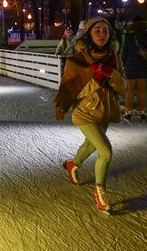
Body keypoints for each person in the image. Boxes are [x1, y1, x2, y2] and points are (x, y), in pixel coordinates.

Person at [54, 17, 128, 212]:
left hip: (105, 110)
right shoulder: (77, 60)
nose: (102, 34)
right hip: (84, 112)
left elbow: (124, 87)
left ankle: (72, 164)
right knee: (105, 151)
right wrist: (94, 77)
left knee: (90, 144)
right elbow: (71, 90)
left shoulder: (114, 57)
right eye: (97, 30)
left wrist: (110, 73)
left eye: (105, 30)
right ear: (89, 34)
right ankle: (100, 191)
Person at [121, 16, 147, 123]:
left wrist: (122, 65)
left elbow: (125, 52)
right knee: (142, 91)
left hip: (130, 66)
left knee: (130, 91)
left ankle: (128, 113)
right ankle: (142, 113)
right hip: (143, 66)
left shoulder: (128, 36)